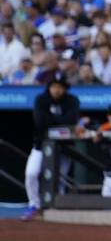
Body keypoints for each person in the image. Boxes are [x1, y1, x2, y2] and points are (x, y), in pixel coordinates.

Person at [22, 73, 80, 221]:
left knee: (60, 179)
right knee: (31, 173)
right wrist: (60, 122)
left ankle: (57, 209)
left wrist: (52, 121)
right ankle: (34, 205)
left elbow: (71, 121)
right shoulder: (41, 99)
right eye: (54, 86)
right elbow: (40, 122)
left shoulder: (72, 100)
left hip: (64, 147)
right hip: (41, 145)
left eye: (60, 87)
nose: (57, 90)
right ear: (49, 87)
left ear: (65, 88)